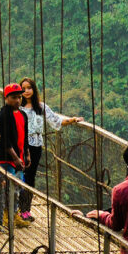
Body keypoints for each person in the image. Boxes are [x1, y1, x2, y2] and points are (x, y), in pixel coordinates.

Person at [17, 77, 82, 222]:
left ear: (34, 89)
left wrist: (72, 120)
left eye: (29, 88)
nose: (26, 91)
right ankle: (15, 210)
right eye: (23, 88)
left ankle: (25, 210)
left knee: (30, 177)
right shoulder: (17, 107)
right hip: (19, 145)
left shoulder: (41, 107)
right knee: (17, 176)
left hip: (35, 146)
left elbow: (56, 121)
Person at [0, 83, 31, 228]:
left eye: (19, 97)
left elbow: (25, 136)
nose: (18, 100)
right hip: (7, 159)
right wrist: (15, 158)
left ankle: (14, 215)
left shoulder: (22, 114)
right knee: (9, 190)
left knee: (16, 189)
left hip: (19, 158)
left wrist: (26, 154)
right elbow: (5, 140)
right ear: (6, 98)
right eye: (14, 97)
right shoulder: (2, 116)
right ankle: (5, 217)